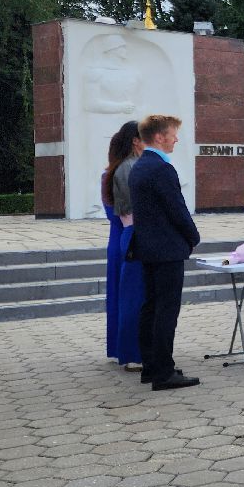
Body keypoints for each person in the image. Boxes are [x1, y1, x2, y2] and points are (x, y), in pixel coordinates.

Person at [128, 113, 201, 391]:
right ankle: (164, 373)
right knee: (166, 311)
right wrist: (193, 236)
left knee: (151, 307)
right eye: (173, 134)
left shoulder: (140, 165)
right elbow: (177, 209)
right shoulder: (161, 168)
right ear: (159, 137)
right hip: (167, 249)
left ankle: (152, 365)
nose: (176, 139)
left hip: (149, 247)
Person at [102, 121, 144, 371]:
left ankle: (125, 349)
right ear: (135, 141)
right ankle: (131, 353)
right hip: (129, 239)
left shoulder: (114, 172)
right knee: (132, 298)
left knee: (126, 296)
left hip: (120, 240)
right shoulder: (123, 173)